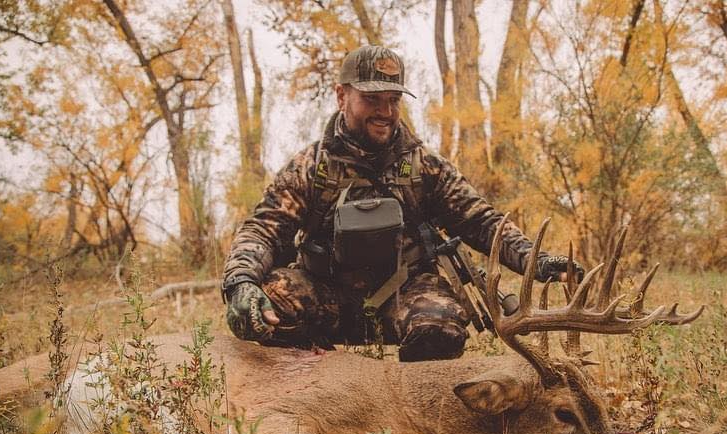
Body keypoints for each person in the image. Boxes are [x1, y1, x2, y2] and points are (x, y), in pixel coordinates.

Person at [222, 45, 581, 362]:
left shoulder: (423, 166)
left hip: (406, 292)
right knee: (265, 306)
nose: (386, 111)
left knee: (441, 326)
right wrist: (240, 282)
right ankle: (312, 398)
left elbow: (481, 221)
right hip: (326, 291)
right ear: (341, 96)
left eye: (393, 100)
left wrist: (537, 259)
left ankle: (412, 417)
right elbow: (263, 229)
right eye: (372, 100)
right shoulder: (310, 167)